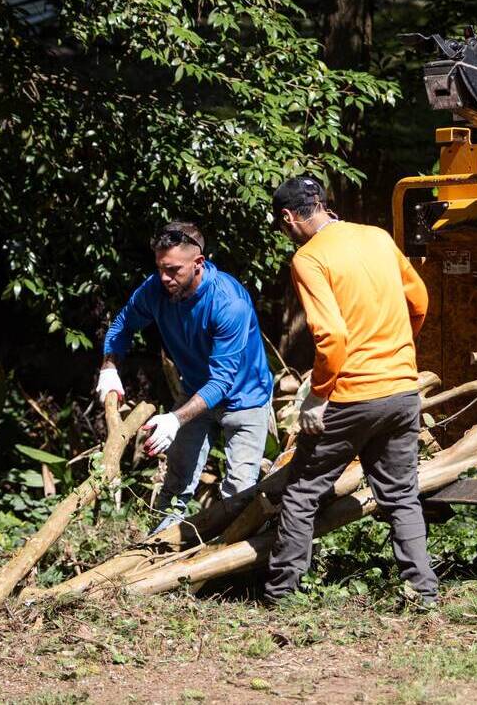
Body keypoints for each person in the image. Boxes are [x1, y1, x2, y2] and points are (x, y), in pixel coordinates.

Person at [262, 176, 436, 605]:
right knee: (400, 495)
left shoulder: (309, 258)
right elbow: (420, 301)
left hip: (352, 394)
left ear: (288, 218)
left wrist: (318, 394)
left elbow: (333, 336)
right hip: (401, 389)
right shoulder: (376, 237)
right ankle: (424, 592)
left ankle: (281, 595)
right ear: (321, 204)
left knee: (302, 491)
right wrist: (398, 351)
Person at [100, 221, 275, 534]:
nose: (164, 278)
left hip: (244, 398)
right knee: (175, 485)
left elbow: (222, 382)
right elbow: (124, 324)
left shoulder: (228, 303)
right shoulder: (156, 289)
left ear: (198, 264)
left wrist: (174, 420)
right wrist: (109, 366)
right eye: (160, 268)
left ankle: (230, 571)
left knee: (239, 494)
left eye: (173, 270)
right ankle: (154, 556)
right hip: (195, 391)